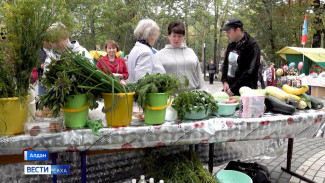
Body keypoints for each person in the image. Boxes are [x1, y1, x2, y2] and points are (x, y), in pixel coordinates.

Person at [38, 22, 93, 95]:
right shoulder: (51, 56)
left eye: (54, 41)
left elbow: (90, 79)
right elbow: (45, 79)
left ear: (65, 38)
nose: (51, 44)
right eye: (50, 41)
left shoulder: (81, 53)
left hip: (78, 100)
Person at [155, 20, 205, 90]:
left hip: (192, 95)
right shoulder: (159, 55)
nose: (176, 39)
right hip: (169, 97)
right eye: (174, 36)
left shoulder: (191, 53)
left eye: (179, 36)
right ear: (169, 36)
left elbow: (199, 75)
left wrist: (203, 91)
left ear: (183, 37)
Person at [220, 18, 260, 96]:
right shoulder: (231, 45)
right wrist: (224, 81)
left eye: (228, 32)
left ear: (237, 30)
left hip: (246, 92)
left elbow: (249, 72)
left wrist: (234, 89)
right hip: (229, 89)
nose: (226, 35)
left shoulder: (252, 46)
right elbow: (225, 64)